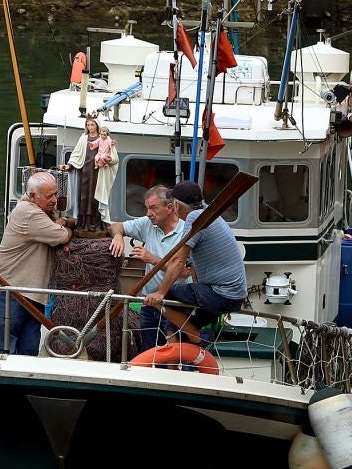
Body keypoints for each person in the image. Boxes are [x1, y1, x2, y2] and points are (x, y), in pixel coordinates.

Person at [140, 180, 248, 347]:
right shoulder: (208, 212)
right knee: (174, 327)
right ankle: (182, 354)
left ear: (177, 205)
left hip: (221, 294)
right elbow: (194, 264)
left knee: (162, 297)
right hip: (232, 294)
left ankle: (198, 338)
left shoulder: (194, 218)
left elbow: (178, 260)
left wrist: (160, 293)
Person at [0, 171, 71, 355]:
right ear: (33, 196)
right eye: (49, 196)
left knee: (29, 352)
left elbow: (56, 229)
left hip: (33, 294)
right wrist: (64, 226)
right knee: (4, 353)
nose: (55, 200)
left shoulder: (41, 212)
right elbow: (62, 236)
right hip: (9, 291)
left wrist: (59, 222)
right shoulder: (28, 212)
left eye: (56, 194)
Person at [107, 185, 190, 350]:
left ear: (169, 208)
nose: (148, 213)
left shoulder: (187, 232)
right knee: (150, 353)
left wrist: (152, 259)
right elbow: (116, 226)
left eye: (153, 208)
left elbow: (183, 272)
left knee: (176, 356)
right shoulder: (148, 224)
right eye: (147, 208)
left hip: (175, 306)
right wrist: (117, 236)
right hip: (149, 304)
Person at [59, 116, 117, 231]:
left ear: (97, 126)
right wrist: (69, 166)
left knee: (95, 198)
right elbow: (76, 155)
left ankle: (96, 224)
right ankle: (83, 224)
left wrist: (109, 159)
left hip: (98, 173)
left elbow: (114, 156)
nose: (90, 127)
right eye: (88, 125)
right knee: (84, 198)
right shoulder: (84, 138)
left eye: (92, 125)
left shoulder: (104, 138)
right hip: (84, 172)